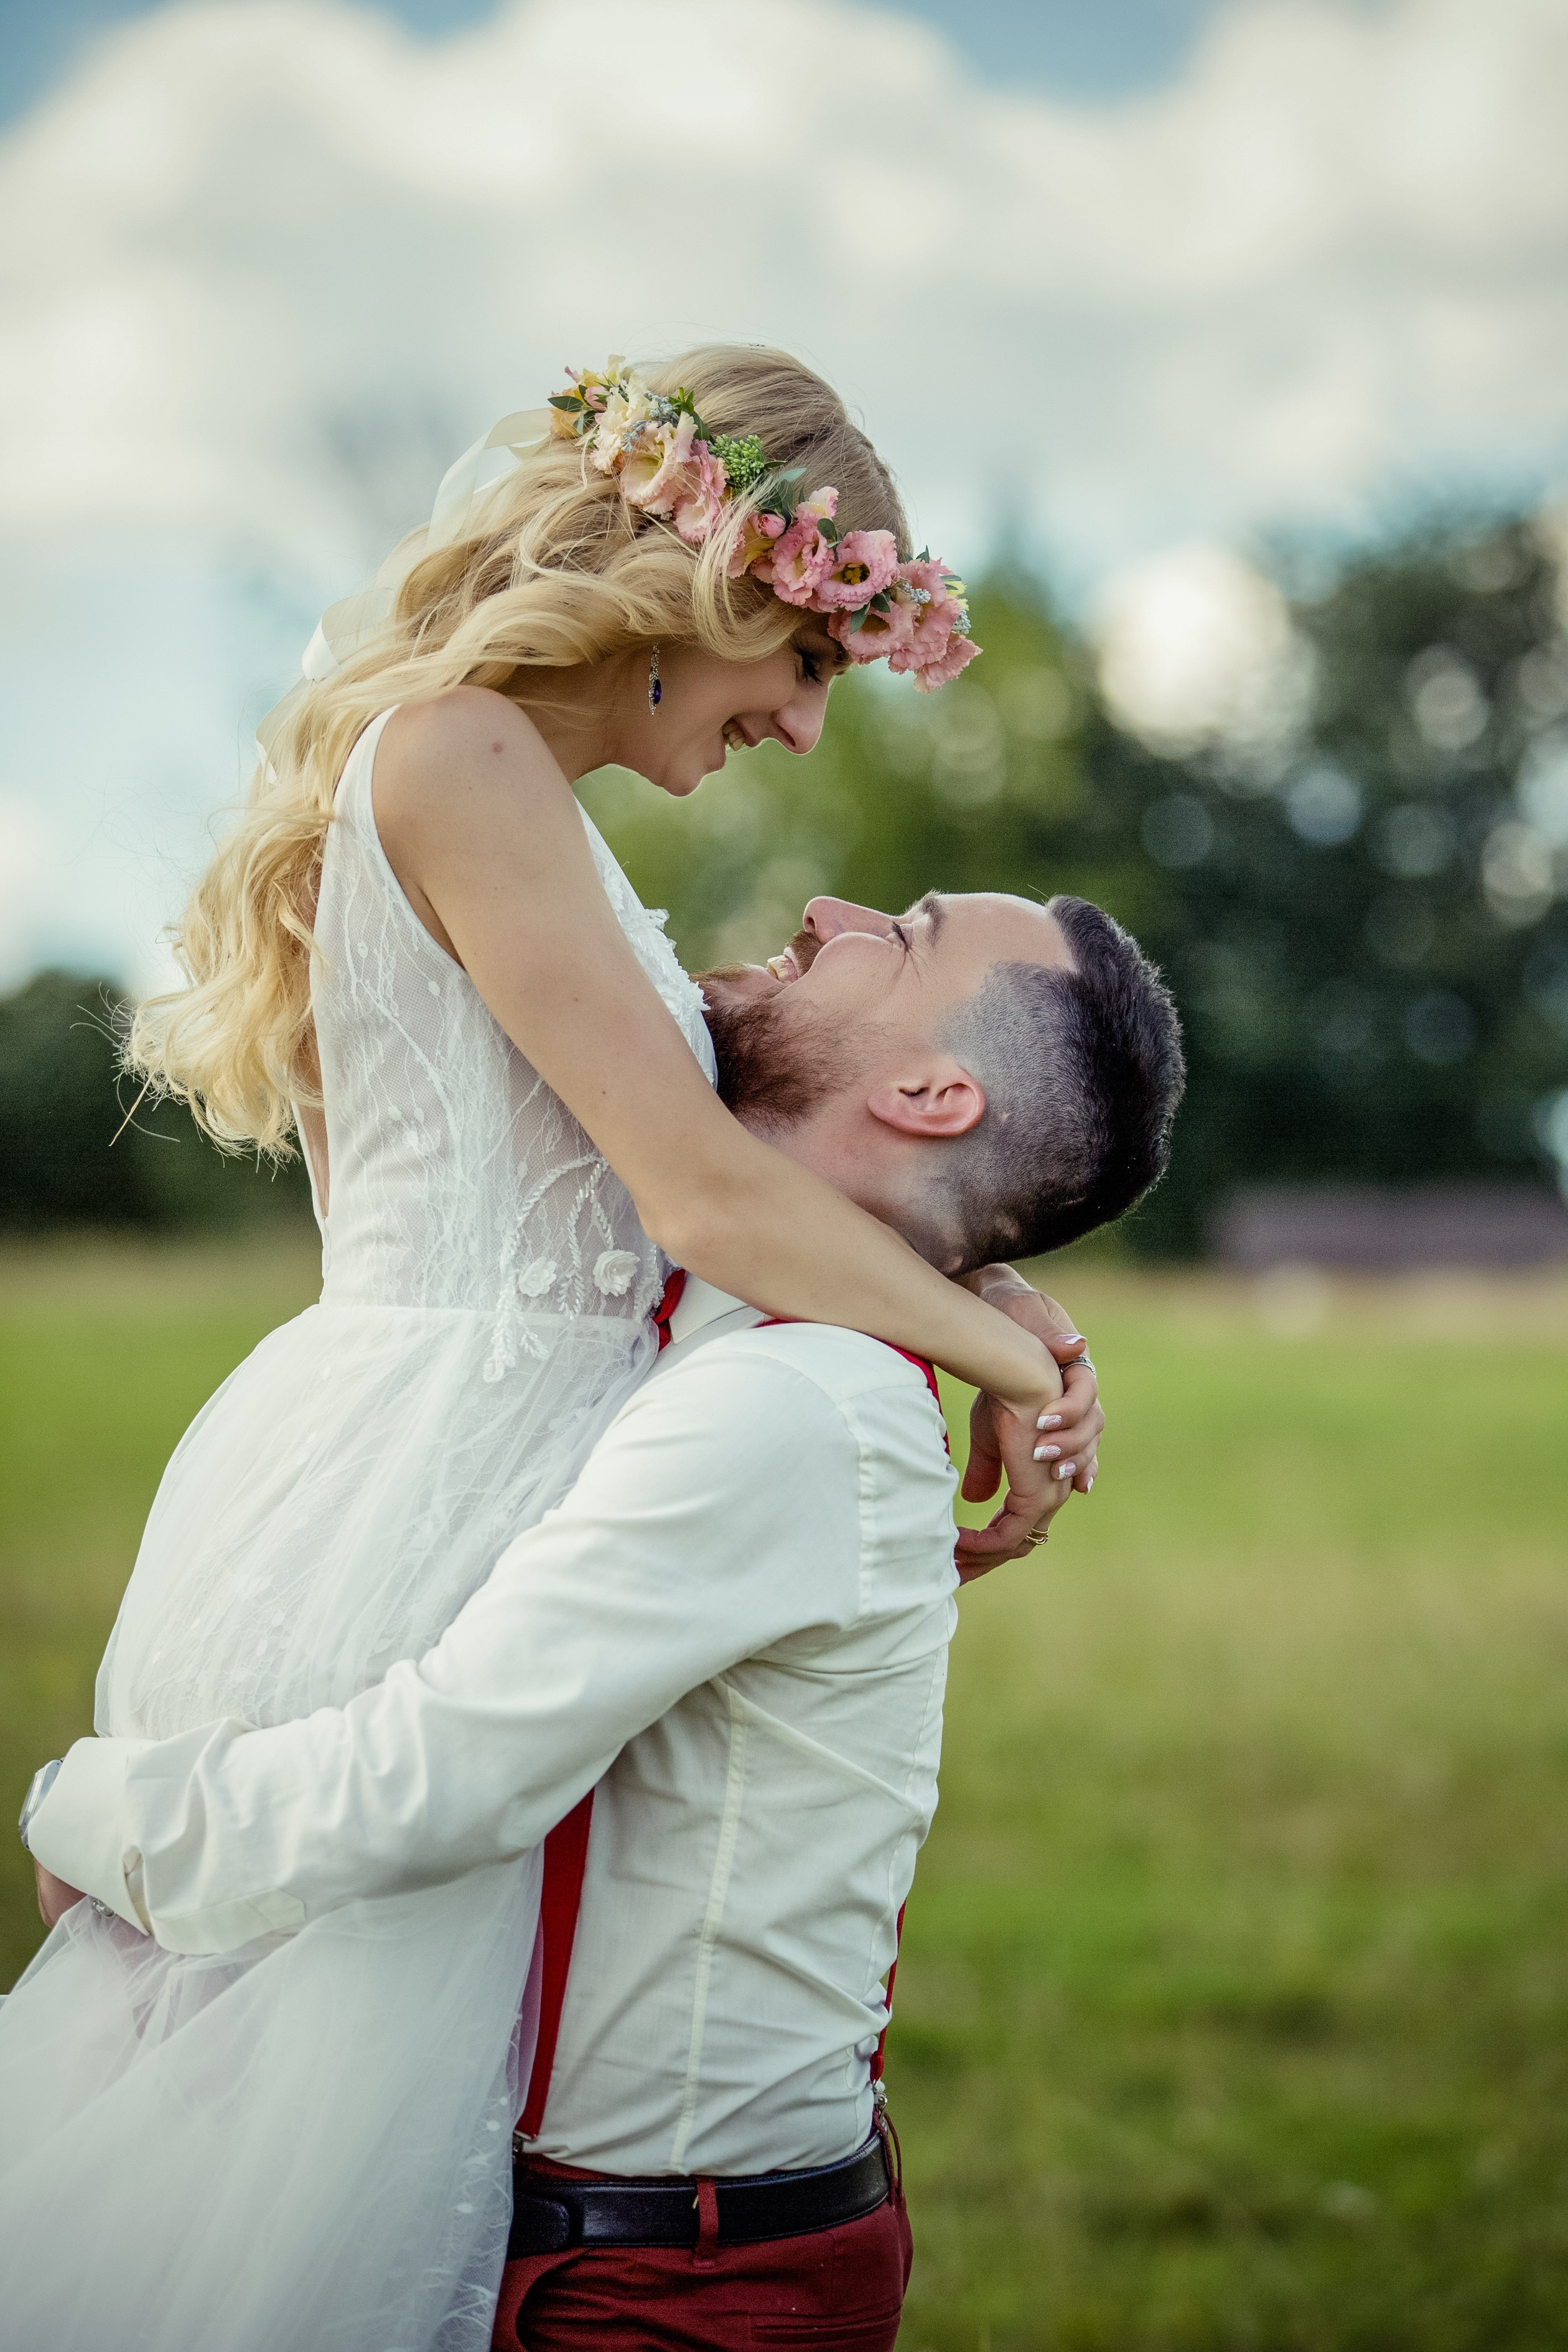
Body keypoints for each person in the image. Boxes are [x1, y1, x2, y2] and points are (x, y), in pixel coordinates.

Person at [0, 351, 1101, 2352]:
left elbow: (712, 1161)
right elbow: (689, 1197)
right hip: (417, 1490)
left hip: (429, 1458)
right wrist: (1013, 1365)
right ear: (700, 578)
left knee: (297, 2153)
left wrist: (999, 1293)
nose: (803, 714)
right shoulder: (463, 759)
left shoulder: (507, 799)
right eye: (807, 647)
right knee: (272, 2160)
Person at [26, 884, 1184, 2352]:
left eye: (906, 929)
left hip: (668, 2286)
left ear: (932, 1091)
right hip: (579, 2229)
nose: (830, 908)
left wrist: (96, 1818)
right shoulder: (716, 1304)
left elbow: (437, 1779)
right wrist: (1008, 1303)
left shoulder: (799, 1405)